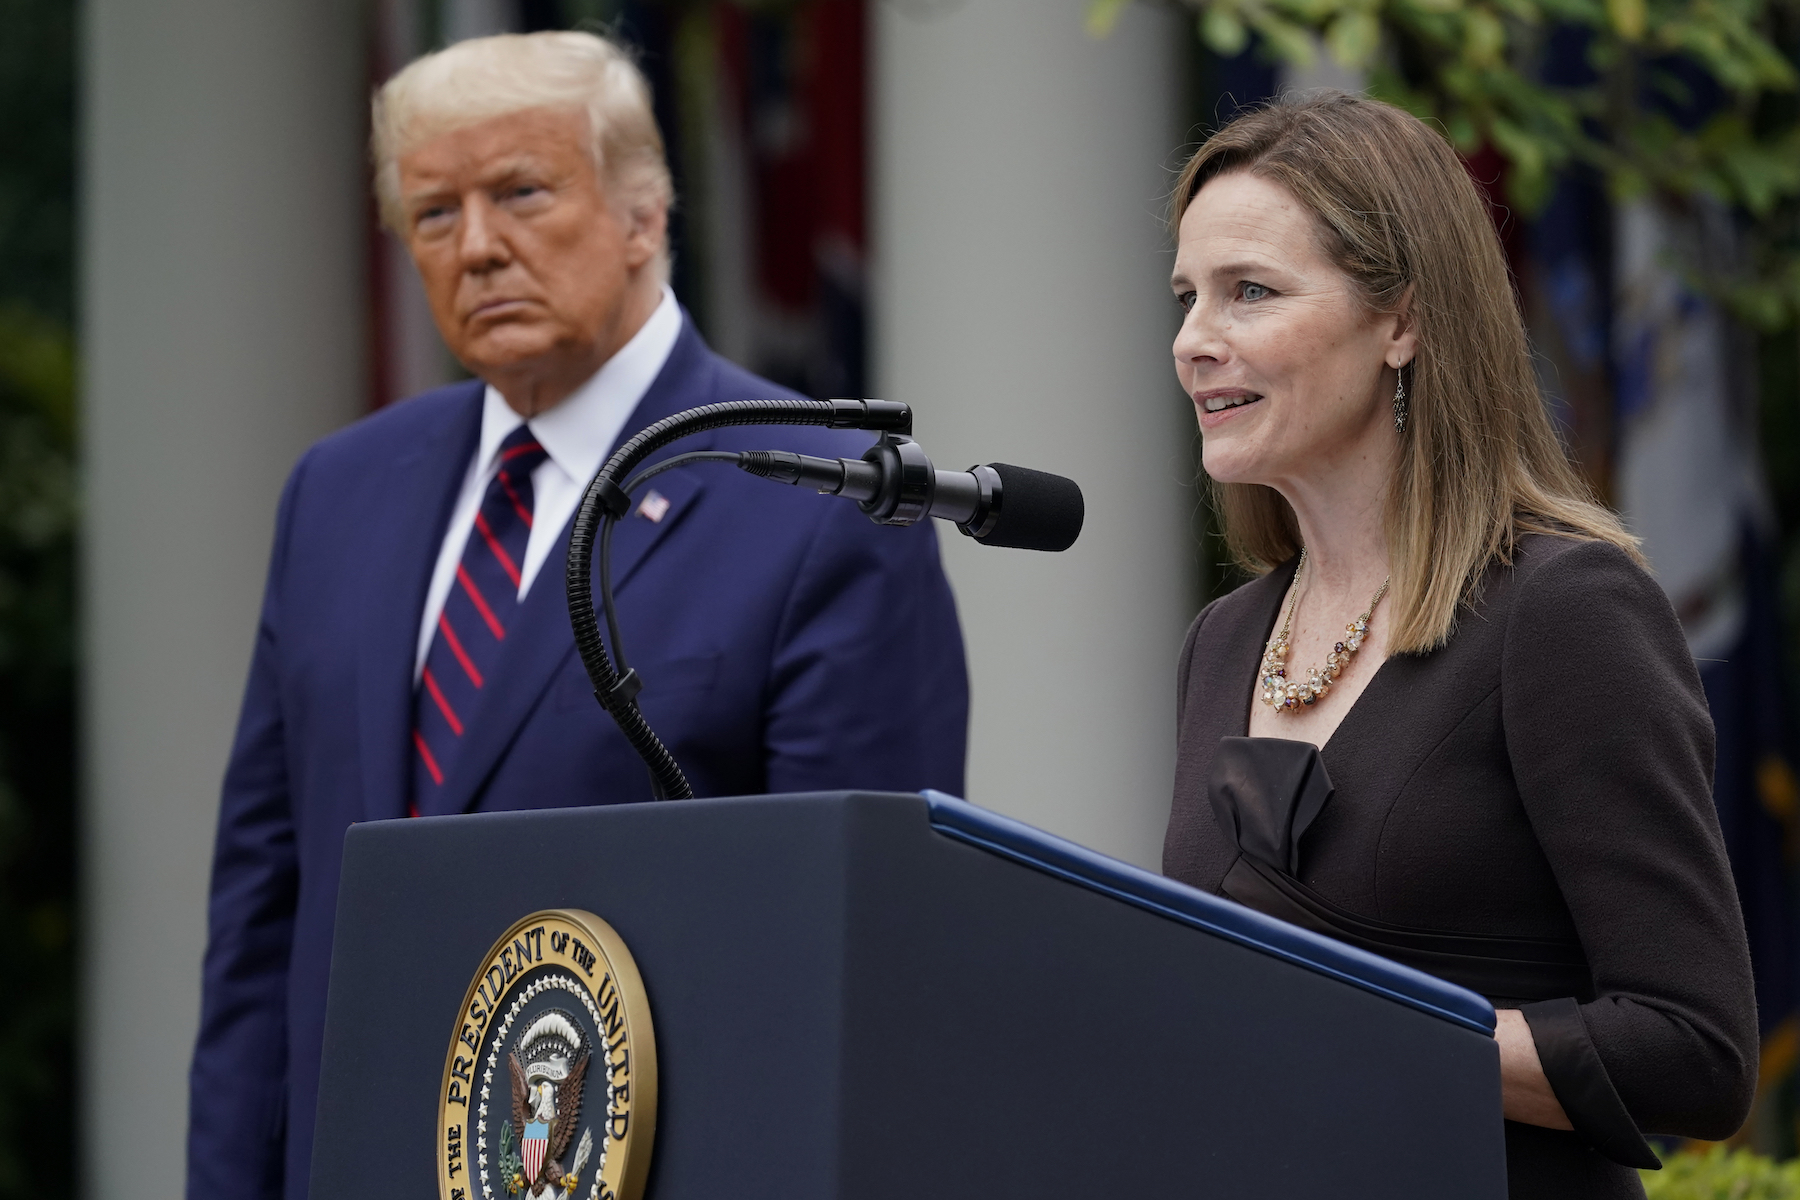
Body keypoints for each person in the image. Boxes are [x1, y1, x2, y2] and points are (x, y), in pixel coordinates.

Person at [187, 31, 967, 1200]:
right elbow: (262, 922)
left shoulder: (821, 501)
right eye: (434, 213)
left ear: (644, 214)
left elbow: (859, 963)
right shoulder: (336, 494)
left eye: (521, 193)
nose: (477, 246)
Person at [1160, 93, 1755, 1198]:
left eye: (1251, 291)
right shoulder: (1222, 642)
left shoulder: (1564, 612)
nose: (1194, 339)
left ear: (1403, 322)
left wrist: (1352, 1025)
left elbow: (1695, 1049)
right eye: (1187, 296)